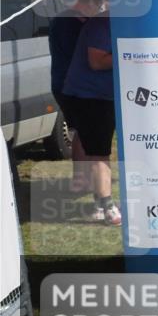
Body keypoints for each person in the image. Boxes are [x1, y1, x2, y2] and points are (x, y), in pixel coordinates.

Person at [60, 12, 120, 225]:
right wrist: (132, 52)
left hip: (102, 95)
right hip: (88, 96)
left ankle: (98, 204)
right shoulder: (102, 24)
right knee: (98, 152)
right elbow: (96, 61)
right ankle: (107, 206)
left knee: (96, 149)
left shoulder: (114, 22)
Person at [48, 0, 107, 191]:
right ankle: (83, 180)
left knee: (81, 133)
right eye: (98, 5)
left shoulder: (66, 19)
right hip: (71, 86)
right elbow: (83, 54)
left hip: (66, 84)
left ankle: (81, 180)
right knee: (85, 133)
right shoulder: (71, 23)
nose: (99, 10)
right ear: (90, 2)